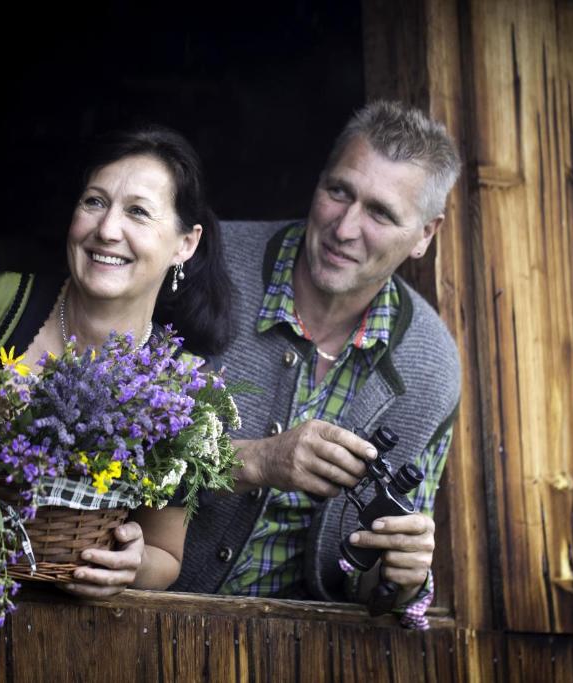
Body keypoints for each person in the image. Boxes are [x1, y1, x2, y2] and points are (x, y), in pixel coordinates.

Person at [173, 101, 462, 629]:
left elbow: (370, 586)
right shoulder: (203, 264)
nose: (345, 228)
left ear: (425, 234)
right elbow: (111, 448)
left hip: (302, 647)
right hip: (139, 613)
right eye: (338, 191)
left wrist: (401, 575)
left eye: (380, 212)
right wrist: (255, 460)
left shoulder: (432, 366)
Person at [0, 125, 233, 597]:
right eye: (94, 202)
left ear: (186, 244)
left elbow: (164, 555)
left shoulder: (182, 389)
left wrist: (131, 565)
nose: (107, 230)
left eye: (137, 212)